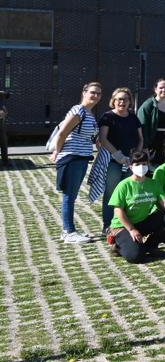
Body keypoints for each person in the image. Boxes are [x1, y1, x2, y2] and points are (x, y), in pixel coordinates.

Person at [109, 151, 165, 263]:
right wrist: (132, 229)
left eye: (144, 164)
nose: (141, 167)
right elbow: (118, 211)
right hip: (124, 226)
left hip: (143, 221)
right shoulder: (124, 185)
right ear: (130, 166)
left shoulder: (153, 183)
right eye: (137, 164)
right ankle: (118, 244)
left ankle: (151, 245)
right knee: (136, 257)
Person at [51, 82, 102, 244]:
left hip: (82, 157)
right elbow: (62, 133)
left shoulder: (89, 113)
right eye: (93, 92)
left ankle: (69, 230)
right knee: (69, 196)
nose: (96, 96)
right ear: (84, 92)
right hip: (72, 157)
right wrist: (56, 153)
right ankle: (68, 232)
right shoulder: (78, 110)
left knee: (71, 196)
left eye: (99, 94)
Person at [96, 87, 144, 233]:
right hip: (113, 161)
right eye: (119, 99)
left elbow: (140, 139)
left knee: (128, 192)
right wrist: (117, 155)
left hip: (130, 162)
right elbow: (103, 138)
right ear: (113, 101)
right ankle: (108, 224)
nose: (122, 102)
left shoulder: (133, 117)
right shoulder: (107, 117)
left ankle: (125, 221)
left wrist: (136, 156)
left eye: (125, 99)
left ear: (130, 101)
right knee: (112, 193)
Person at [137, 79, 165, 164]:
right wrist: (145, 147)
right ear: (155, 89)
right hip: (154, 144)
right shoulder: (148, 105)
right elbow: (142, 127)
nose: (164, 90)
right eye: (161, 87)